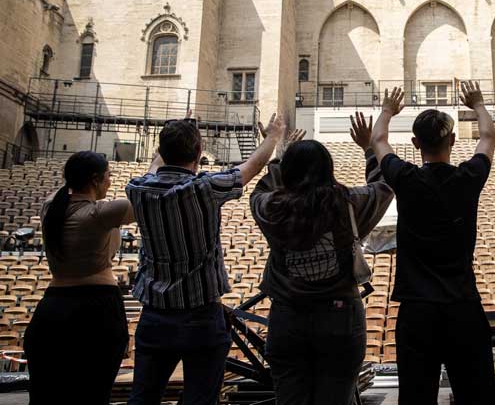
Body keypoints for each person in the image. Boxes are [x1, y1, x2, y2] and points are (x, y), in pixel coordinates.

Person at [127, 112, 286, 405]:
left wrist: (173, 137)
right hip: (201, 316)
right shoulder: (204, 188)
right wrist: (273, 137)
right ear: (199, 152)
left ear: (161, 150)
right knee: (201, 399)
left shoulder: (137, 189)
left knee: (143, 397)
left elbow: (154, 167)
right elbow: (251, 167)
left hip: (156, 314)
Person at [250, 113, 394, 404]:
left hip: (288, 316)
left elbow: (260, 191)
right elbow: (384, 185)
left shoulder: (272, 208)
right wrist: (369, 148)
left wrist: (279, 157)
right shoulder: (349, 203)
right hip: (339, 317)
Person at [369, 82, 495, 405]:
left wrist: (387, 110)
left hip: (418, 309)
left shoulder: (405, 178)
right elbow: (488, 136)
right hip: (462, 305)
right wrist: (478, 104)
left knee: (416, 398)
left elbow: (378, 140)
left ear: (415, 144)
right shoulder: (468, 178)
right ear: (452, 140)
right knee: (478, 398)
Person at [23, 151, 135, 404]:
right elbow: (148, 199)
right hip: (96, 311)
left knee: (45, 395)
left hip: (51, 308)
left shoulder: (50, 206)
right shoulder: (101, 213)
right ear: (95, 180)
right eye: (108, 176)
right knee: (93, 393)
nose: (110, 181)